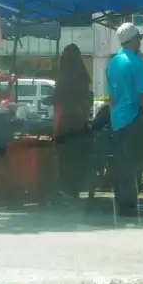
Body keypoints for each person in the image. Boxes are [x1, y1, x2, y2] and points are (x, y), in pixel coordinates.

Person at [106, 23, 143, 214]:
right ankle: (128, 205)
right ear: (134, 40)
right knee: (134, 163)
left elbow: (111, 98)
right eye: (139, 38)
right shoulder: (136, 63)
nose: (140, 42)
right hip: (134, 118)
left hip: (117, 119)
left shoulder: (112, 64)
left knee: (121, 162)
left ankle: (121, 202)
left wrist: (114, 118)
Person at [50, 44, 93, 198]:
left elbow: (56, 97)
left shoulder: (65, 77)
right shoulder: (83, 77)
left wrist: (47, 100)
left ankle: (65, 190)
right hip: (81, 123)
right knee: (77, 158)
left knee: (65, 158)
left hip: (67, 122)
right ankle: (74, 190)